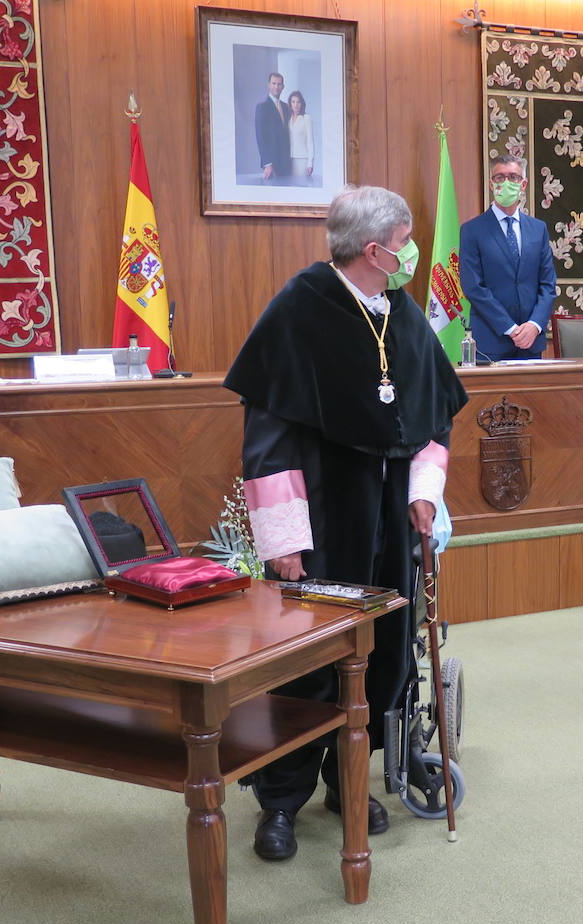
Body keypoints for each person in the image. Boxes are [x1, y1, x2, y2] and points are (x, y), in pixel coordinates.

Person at [223, 185, 468, 861]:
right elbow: (267, 439)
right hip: (324, 518)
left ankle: (348, 775)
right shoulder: (300, 310)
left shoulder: (403, 312)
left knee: (382, 652)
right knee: (309, 664)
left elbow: (435, 409)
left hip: (390, 518)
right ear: (373, 249)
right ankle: (280, 800)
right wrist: (284, 541)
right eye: (405, 239)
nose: (412, 250)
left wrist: (425, 490)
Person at [459, 154, 558, 361]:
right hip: (491, 341)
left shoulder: (538, 229)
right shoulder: (472, 230)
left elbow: (548, 285)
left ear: (523, 184)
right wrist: (510, 328)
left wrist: (534, 325)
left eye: (513, 177)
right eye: (500, 177)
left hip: (531, 343)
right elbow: (473, 287)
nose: (507, 182)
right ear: (491, 184)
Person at [253, 72, 289, 181]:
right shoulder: (262, 107)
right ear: (269, 85)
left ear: (283, 86)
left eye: (279, 84)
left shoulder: (285, 107)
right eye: (274, 83)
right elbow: (260, 137)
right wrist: (267, 164)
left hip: (286, 162)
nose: (276, 87)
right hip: (272, 163)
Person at [286, 91, 314, 181]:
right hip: (289, 159)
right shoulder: (288, 119)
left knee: (301, 184)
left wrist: (310, 163)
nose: (296, 105)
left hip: (302, 159)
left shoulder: (306, 118)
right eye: (293, 102)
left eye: (298, 102)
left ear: (302, 103)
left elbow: (310, 141)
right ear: (290, 104)